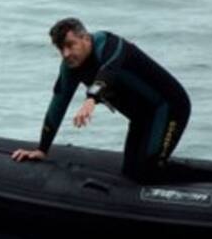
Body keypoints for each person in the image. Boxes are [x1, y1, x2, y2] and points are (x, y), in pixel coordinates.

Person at [11, 18, 190, 182]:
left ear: (86, 39)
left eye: (70, 45)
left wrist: (91, 99)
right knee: (130, 173)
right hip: (142, 118)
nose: (65, 54)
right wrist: (42, 149)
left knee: (148, 172)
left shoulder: (111, 45)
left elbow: (108, 71)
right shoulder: (70, 67)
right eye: (60, 49)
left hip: (169, 108)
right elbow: (58, 104)